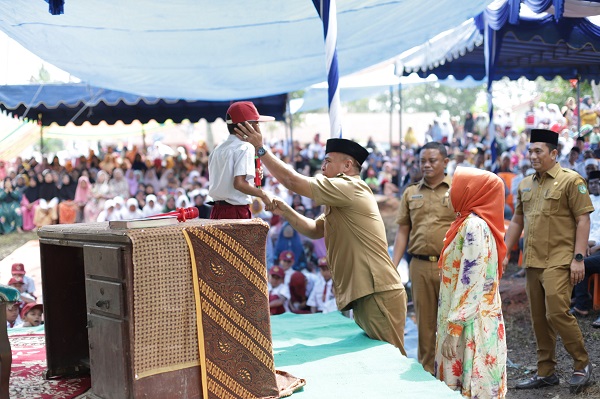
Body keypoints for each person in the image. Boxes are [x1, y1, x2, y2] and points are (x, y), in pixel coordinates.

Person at [237, 123, 407, 353]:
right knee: (381, 357)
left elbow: (292, 181)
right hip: (370, 292)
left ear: (347, 166)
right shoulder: (342, 197)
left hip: (378, 291)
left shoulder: (349, 187)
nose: (322, 166)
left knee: (389, 360)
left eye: (328, 161)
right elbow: (314, 230)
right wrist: (286, 210)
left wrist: (260, 149)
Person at [504, 129, 594, 393]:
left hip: (560, 259)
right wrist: (504, 254)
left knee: (556, 311)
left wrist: (579, 258)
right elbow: (517, 221)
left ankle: (582, 363)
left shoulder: (571, 181)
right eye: (530, 151)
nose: (532, 156)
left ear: (554, 153)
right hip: (532, 261)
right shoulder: (525, 184)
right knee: (538, 319)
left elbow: (583, 219)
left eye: (538, 151)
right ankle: (546, 372)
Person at [435, 167, 507, 398]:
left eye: (454, 188)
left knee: (470, 383)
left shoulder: (474, 227)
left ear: (471, 193)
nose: (447, 194)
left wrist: (454, 328)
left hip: (469, 325)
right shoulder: (466, 223)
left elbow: (471, 281)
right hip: (467, 317)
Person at [391, 141, 454, 374]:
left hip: (449, 266)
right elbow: (402, 232)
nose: (426, 165)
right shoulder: (411, 193)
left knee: (451, 322)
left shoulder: (457, 189)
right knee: (425, 325)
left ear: (445, 162)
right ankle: (427, 373)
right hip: (418, 265)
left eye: (432, 161)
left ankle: (451, 374)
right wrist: (393, 266)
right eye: (422, 161)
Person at [208, 101, 275, 219]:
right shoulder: (245, 147)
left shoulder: (218, 149)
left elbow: (226, 181)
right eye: (257, 123)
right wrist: (263, 195)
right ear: (247, 126)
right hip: (236, 212)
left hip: (216, 211)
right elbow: (239, 184)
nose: (259, 128)